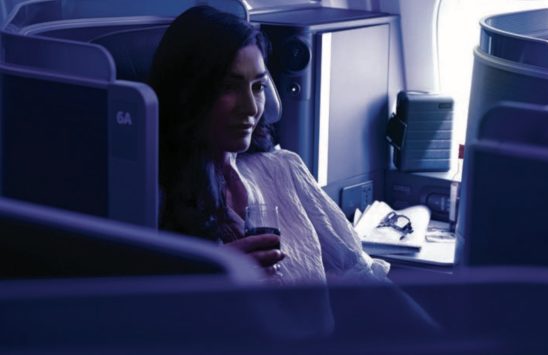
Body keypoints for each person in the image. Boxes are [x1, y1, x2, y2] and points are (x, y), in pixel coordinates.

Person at [149, 5, 389, 284]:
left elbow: (365, 276)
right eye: (229, 87)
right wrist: (216, 277)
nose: (251, 107)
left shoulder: (282, 170)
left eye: (258, 87)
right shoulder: (153, 196)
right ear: (189, 94)